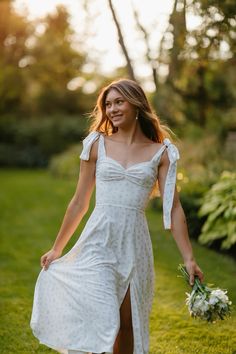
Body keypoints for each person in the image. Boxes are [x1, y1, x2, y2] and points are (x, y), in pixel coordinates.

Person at [30, 78, 204, 354]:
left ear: (136, 104)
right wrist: (57, 248)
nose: (112, 109)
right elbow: (79, 202)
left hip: (134, 244)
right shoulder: (97, 144)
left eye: (118, 102)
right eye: (107, 104)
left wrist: (189, 258)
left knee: (126, 325)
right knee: (101, 316)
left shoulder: (162, 153)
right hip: (98, 240)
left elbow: (173, 208)